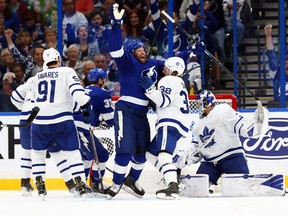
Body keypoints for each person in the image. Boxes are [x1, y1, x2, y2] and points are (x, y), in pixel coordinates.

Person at [106, 3, 204, 199]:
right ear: (131, 52)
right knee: (125, 151)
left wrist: (191, 49)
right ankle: (116, 184)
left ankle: (132, 180)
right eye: (137, 49)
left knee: (142, 153)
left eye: (142, 48)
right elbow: (114, 47)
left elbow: (174, 64)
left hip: (143, 113)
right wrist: (116, 24)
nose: (141, 51)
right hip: (126, 109)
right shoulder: (126, 62)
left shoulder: (154, 64)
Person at [29, 47, 94, 197]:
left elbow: (33, 102)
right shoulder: (66, 71)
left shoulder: (37, 77)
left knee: (38, 154)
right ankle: (80, 183)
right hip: (62, 119)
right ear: (58, 59)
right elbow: (78, 93)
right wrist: (86, 106)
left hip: (39, 122)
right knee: (72, 154)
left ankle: (40, 184)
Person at [183, 90, 269, 192]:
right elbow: (198, 148)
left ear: (206, 103)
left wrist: (258, 122)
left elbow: (243, 128)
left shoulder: (222, 111)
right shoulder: (198, 125)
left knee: (242, 190)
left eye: (199, 104)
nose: (197, 107)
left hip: (232, 158)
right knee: (196, 190)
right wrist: (183, 160)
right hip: (210, 162)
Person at [10, 77, 80, 196]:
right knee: (56, 152)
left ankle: (25, 184)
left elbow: (15, 97)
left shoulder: (32, 79)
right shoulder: (59, 78)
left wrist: (23, 107)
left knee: (27, 151)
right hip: (43, 118)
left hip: (26, 117)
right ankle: (71, 184)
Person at [138, 56, 192, 199]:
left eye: (166, 68)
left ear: (172, 70)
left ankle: (172, 186)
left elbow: (163, 101)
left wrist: (150, 89)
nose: (163, 69)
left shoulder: (167, 80)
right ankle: (173, 176)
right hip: (179, 123)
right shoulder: (180, 82)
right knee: (150, 154)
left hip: (170, 122)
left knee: (163, 154)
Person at [74, 68, 113, 196]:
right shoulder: (102, 94)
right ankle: (97, 183)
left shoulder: (82, 91)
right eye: (104, 79)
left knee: (86, 157)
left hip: (72, 127)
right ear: (100, 80)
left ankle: (81, 186)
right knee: (102, 155)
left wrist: (97, 120)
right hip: (81, 128)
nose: (105, 82)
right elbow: (110, 120)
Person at [264, 24, 288, 102]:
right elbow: (271, 55)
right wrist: (268, 36)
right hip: (280, 111)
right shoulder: (276, 72)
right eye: (285, 63)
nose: (287, 65)